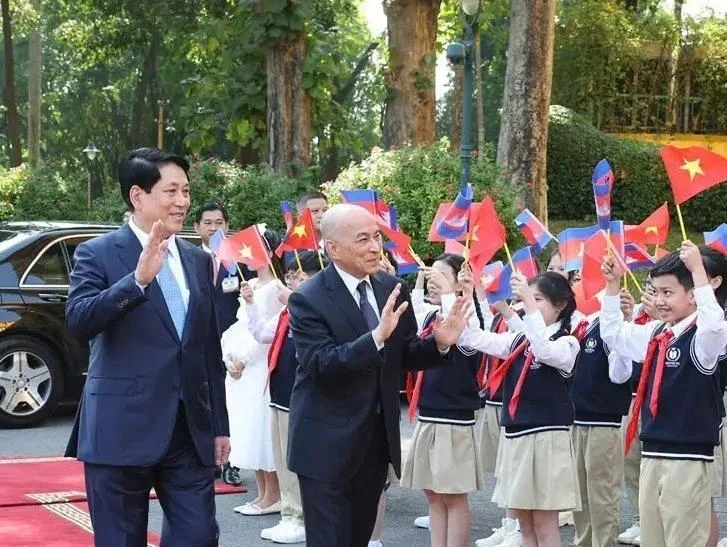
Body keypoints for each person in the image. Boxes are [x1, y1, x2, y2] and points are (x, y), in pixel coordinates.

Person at [65, 147, 230, 546]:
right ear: (138, 196)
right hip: (120, 429)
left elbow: (207, 349)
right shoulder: (97, 253)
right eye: (170, 191)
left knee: (199, 536)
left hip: (188, 432)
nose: (182, 202)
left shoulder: (196, 259)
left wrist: (220, 426)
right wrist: (136, 281)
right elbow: (79, 322)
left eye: (186, 191)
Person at [286, 204, 472, 547]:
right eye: (363, 240)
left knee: (358, 537)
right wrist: (375, 337)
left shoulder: (391, 287)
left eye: (376, 237)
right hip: (324, 442)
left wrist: (440, 344)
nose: (375, 247)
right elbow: (320, 364)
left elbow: (404, 354)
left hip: (374, 442)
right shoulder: (308, 298)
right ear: (333, 248)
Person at [600, 243, 727, 547]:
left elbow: (713, 325)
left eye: (668, 293)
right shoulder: (658, 333)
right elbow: (613, 334)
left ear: (694, 294)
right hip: (653, 452)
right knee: (653, 539)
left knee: (683, 540)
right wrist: (612, 285)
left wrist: (698, 270)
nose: (659, 300)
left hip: (686, 457)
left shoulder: (704, 338)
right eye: (656, 292)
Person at [459, 271, 582, 547]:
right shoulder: (519, 340)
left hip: (547, 439)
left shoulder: (568, 343)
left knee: (544, 523)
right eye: (529, 299)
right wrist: (469, 295)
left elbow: (545, 352)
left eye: (538, 299)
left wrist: (527, 302)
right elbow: (474, 339)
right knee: (524, 523)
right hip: (517, 437)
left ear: (560, 305)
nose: (529, 305)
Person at [243, 250, 328, 544]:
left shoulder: (317, 305)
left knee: (300, 461)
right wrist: (252, 305)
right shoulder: (287, 309)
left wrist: (293, 301)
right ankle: (289, 514)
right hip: (279, 393)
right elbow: (263, 335)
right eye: (291, 275)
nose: (293, 280)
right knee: (283, 459)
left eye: (300, 275)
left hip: (302, 397)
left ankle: (303, 517)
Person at [402, 256, 485, 547]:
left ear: (459, 281)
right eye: (431, 274)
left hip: (454, 417)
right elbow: (412, 307)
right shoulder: (430, 315)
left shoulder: (468, 314)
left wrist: (458, 292)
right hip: (429, 414)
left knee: (452, 493)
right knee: (433, 493)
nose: (433, 280)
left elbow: (459, 330)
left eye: (440, 275)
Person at [222, 229, 284, 517]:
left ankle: (274, 494)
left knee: (262, 429)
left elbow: (268, 330)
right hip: (243, 369)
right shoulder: (252, 284)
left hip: (261, 366)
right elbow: (239, 327)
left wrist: (244, 358)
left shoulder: (275, 288)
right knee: (248, 426)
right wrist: (230, 357)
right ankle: (261, 493)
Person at [569, 291, 634, 547]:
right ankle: (582, 542)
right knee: (579, 494)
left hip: (603, 423)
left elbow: (620, 375)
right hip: (575, 420)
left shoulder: (610, 326)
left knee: (601, 494)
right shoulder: (577, 325)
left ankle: (604, 543)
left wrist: (624, 325)